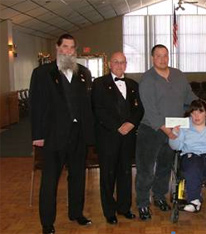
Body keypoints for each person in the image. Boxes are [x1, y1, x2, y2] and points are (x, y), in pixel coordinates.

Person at [29, 34, 95, 234]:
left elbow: (87, 106)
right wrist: (38, 135)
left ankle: (76, 213)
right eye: (64, 46)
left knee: (77, 177)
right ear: (57, 48)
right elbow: (36, 105)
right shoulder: (42, 73)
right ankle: (47, 223)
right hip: (52, 135)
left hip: (78, 135)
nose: (68, 50)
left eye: (72, 47)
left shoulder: (83, 72)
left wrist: (89, 135)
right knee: (50, 181)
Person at [135, 44, 197, 220]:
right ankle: (142, 203)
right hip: (151, 130)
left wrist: (201, 105)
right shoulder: (147, 79)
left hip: (174, 129)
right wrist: (166, 130)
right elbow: (150, 109)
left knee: (164, 168)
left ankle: (159, 196)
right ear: (152, 58)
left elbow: (189, 96)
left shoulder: (178, 75)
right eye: (158, 56)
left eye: (165, 55)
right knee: (146, 169)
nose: (162, 59)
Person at [91, 52, 144, 224]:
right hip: (108, 137)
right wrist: (117, 126)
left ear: (126, 65)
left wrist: (131, 124)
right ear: (109, 65)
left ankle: (124, 207)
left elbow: (139, 109)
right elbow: (98, 110)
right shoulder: (99, 83)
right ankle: (109, 211)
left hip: (128, 137)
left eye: (123, 62)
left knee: (126, 173)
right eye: (116, 62)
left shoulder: (133, 84)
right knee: (108, 175)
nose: (119, 65)